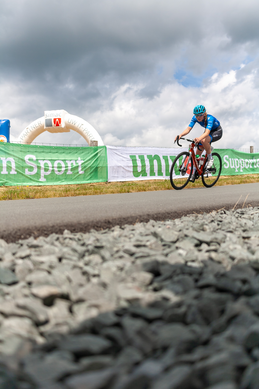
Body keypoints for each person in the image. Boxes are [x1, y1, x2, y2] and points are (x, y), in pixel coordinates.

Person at [175, 105, 222, 182]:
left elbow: (207, 132)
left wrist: (199, 138)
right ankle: (194, 173)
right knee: (197, 154)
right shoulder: (195, 118)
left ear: (204, 114)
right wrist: (180, 135)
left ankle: (210, 158)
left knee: (203, 141)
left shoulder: (210, 118)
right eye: (196, 115)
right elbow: (188, 128)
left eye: (200, 115)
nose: (198, 117)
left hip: (216, 131)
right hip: (208, 132)